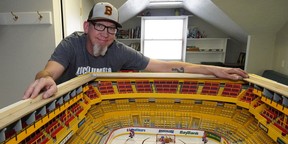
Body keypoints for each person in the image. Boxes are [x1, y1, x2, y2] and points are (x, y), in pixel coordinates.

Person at [23, 2, 248, 100]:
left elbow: (166, 66)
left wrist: (212, 70)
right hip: (70, 104)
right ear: (86, 27)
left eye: (111, 28)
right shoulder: (71, 44)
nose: (105, 33)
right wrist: (45, 78)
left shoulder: (120, 51)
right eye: (99, 26)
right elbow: (49, 72)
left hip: (99, 104)